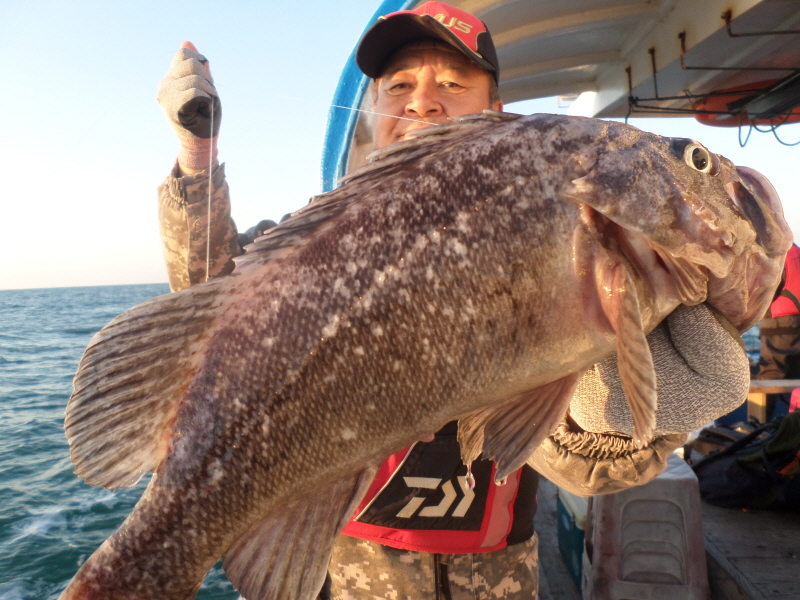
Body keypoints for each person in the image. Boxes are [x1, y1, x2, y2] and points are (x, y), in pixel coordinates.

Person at [155, 3, 750, 598]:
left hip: (497, 574)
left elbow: (577, 465)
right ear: (374, 114)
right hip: (356, 572)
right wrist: (196, 154)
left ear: (496, 111)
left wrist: (626, 426)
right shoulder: (313, 245)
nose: (422, 101)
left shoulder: (565, 249)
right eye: (400, 85)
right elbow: (212, 304)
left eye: (452, 82)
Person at [756, 242, 800, 418]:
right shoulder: (795, 252)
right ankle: (790, 431)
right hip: (795, 324)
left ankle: (761, 427)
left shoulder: (776, 253)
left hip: (779, 327)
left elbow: (763, 292)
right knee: (795, 381)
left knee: (769, 380)